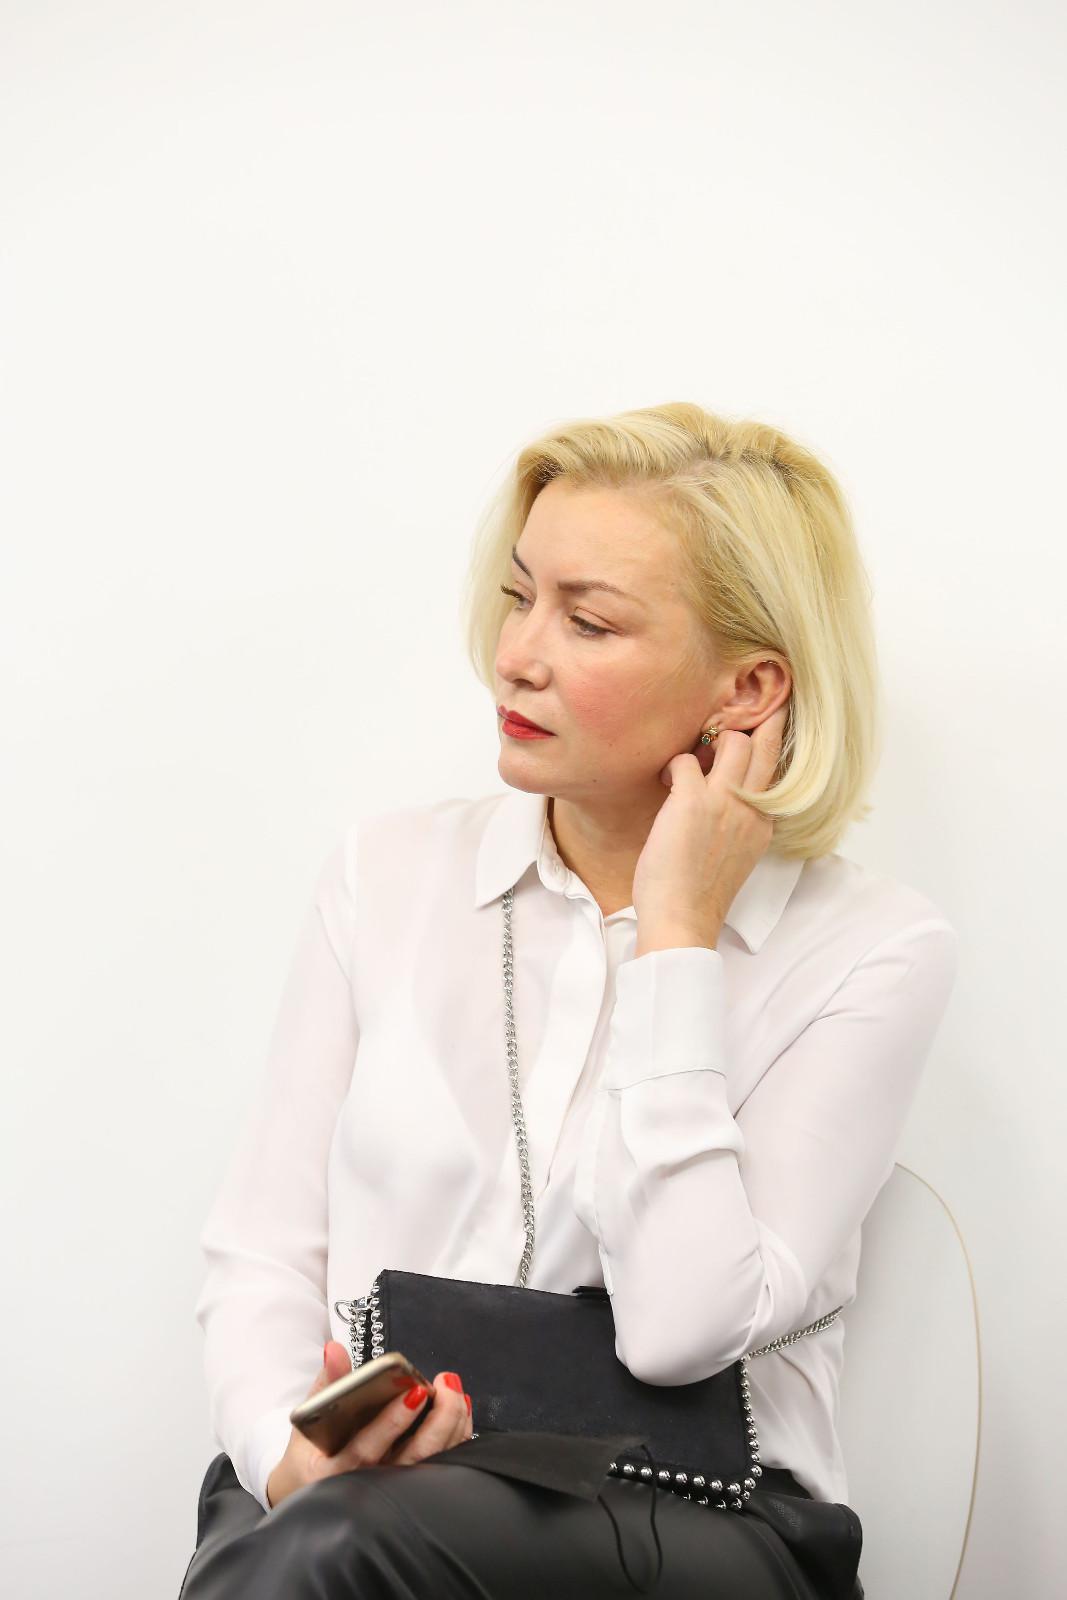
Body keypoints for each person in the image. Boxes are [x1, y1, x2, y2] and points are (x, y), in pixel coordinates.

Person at [179, 402, 959, 1599]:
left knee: (331, 1552)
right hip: (351, 1505)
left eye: (587, 621)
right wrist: (285, 1453)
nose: (517, 654)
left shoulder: (870, 949)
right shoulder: (385, 877)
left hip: (694, 1517)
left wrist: (676, 939)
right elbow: (260, 1251)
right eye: (517, 595)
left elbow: (678, 1329)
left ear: (747, 687)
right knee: (297, 1535)